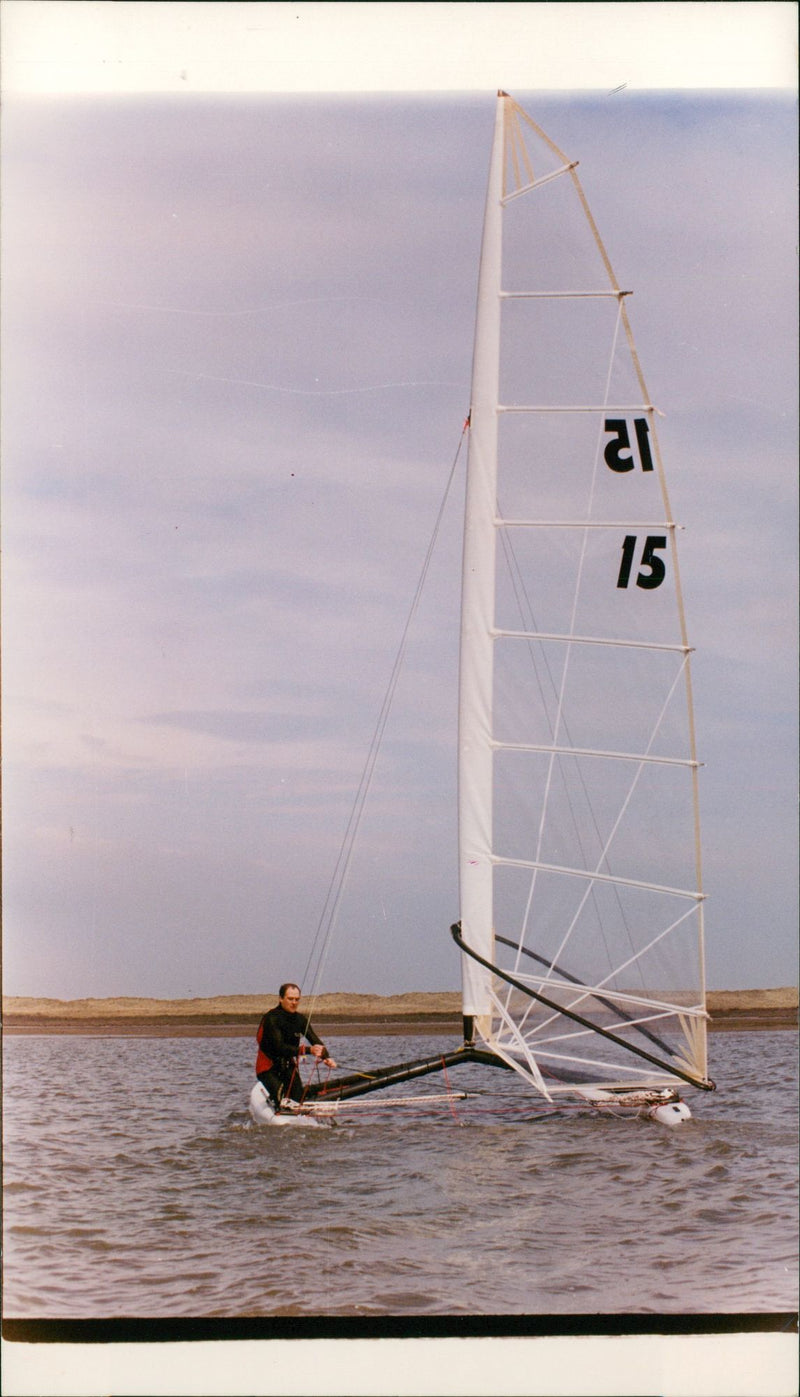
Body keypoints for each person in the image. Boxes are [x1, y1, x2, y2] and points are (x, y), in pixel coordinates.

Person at [255, 983, 337, 1108]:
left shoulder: (300, 1020)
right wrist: (309, 1050)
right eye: (290, 999)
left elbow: (314, 1040)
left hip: (288, 1067)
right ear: (281, 999)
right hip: (268, 1068)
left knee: (298, 1099)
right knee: (280, 1095)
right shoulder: (272, 1018)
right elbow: (279, 1048)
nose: (294, 1002)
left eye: (297, 999)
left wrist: (326, 1057)